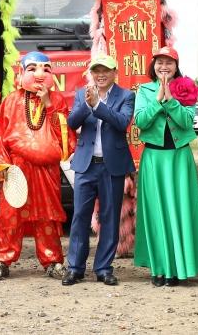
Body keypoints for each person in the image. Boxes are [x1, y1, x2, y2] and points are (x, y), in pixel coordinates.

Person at [0, 52, 77, 281]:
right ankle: (2, 260)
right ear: (22, 72)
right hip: (17, 168)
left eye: (46, 69)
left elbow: (65, 135)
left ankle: (52, 260)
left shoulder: (57, 100)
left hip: (47, 170)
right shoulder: (11, 100)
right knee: (9, 216)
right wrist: (3, 165)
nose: (39, 74)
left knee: (48, 216)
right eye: (33, 69)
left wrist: (48, 104)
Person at [134, 46, 198, 286]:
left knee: (180, 211)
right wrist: (157, 101)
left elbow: (188, 121)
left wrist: (171, 101)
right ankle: (160, 268)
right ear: (153, 65)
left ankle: (179, 268)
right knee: (157, 213)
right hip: (154, 160)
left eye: (169, 62)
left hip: (179, 159)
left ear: (176, 66)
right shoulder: (144, 90)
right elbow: (140, 122)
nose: (164, 67)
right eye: (160, 62)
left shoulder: (185, 88)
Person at [63, 55, 134, 287]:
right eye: (96, 71)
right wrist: (87, 104)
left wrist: (97, 106)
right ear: (91, 73)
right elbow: (73, 122)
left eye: (105, 70)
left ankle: (103, 268)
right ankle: (75, 268)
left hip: (111, 166)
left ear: (115, 72)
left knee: (109, 218)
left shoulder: (126, 95)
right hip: (85, 165)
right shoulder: (81, 94)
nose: (100, 75)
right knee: (79, 217)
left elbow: (122, 122)